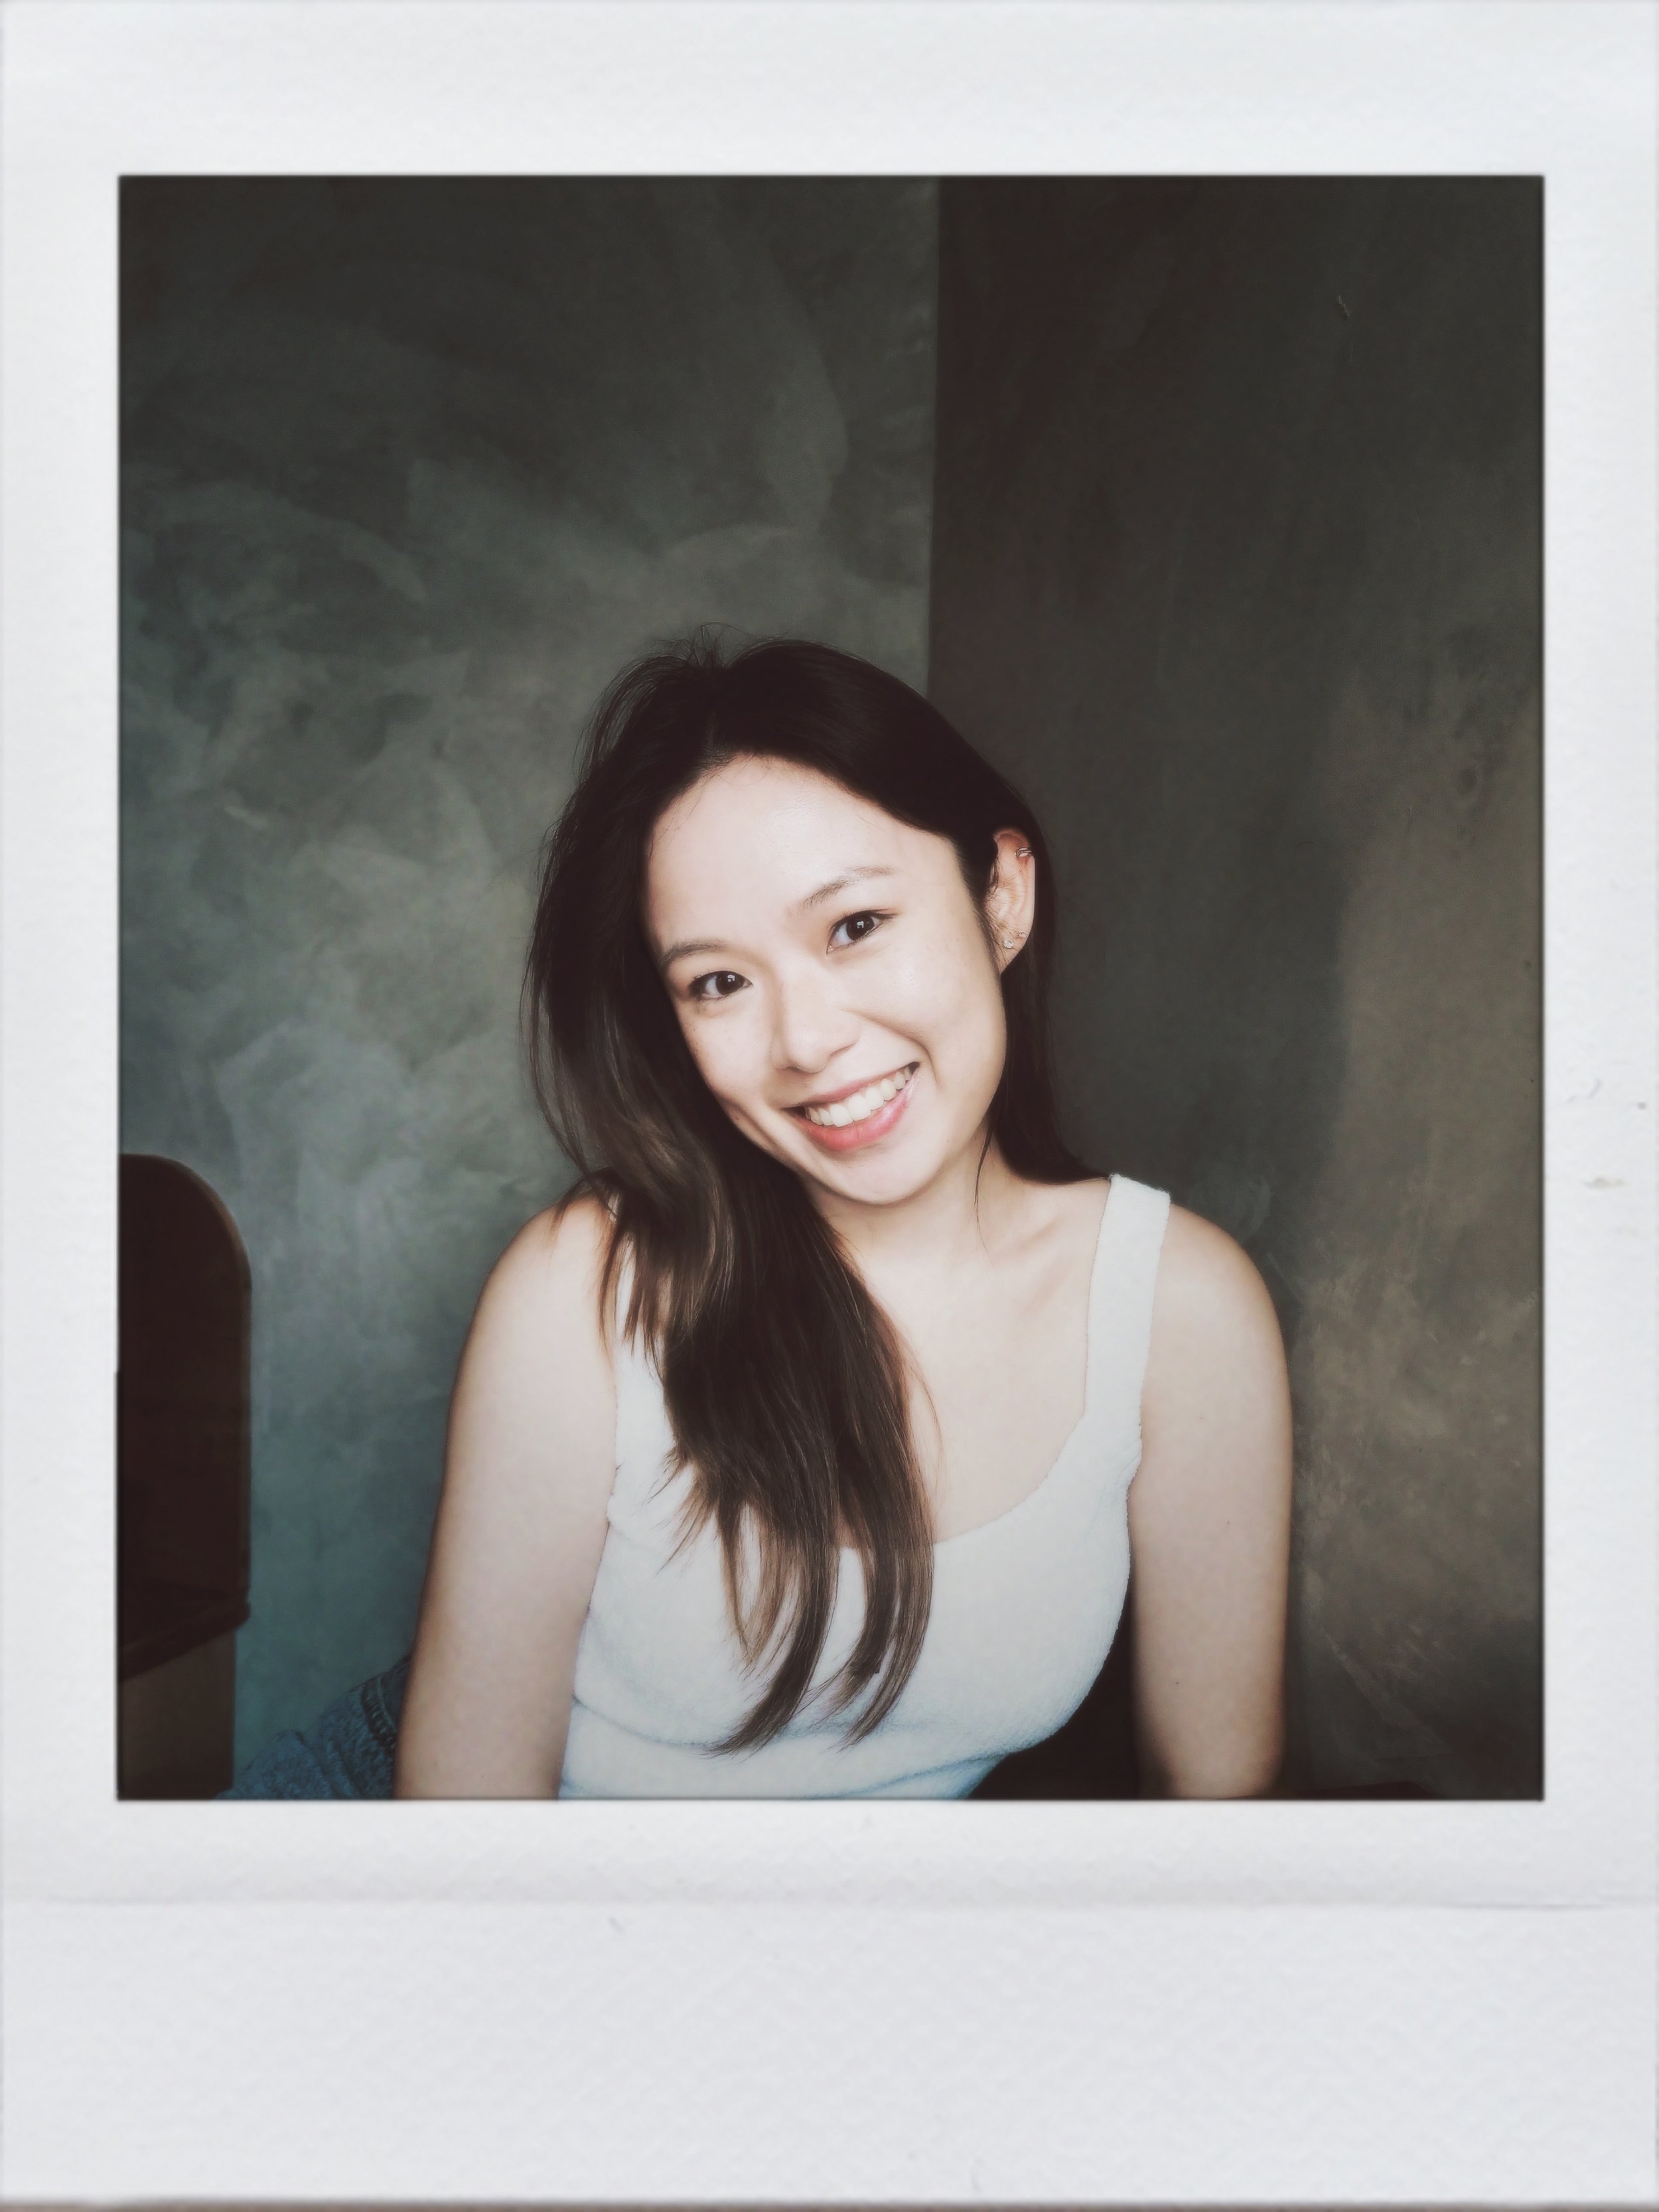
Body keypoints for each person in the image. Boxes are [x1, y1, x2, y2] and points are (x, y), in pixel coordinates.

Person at [394, 634, 1291, 1800]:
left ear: (1001, 894)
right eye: (719, 981)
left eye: (855, 925)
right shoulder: (586, 1287)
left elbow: (1224, 1812)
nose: (806, 1040)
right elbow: (461, 1829)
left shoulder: (1180, 1308)